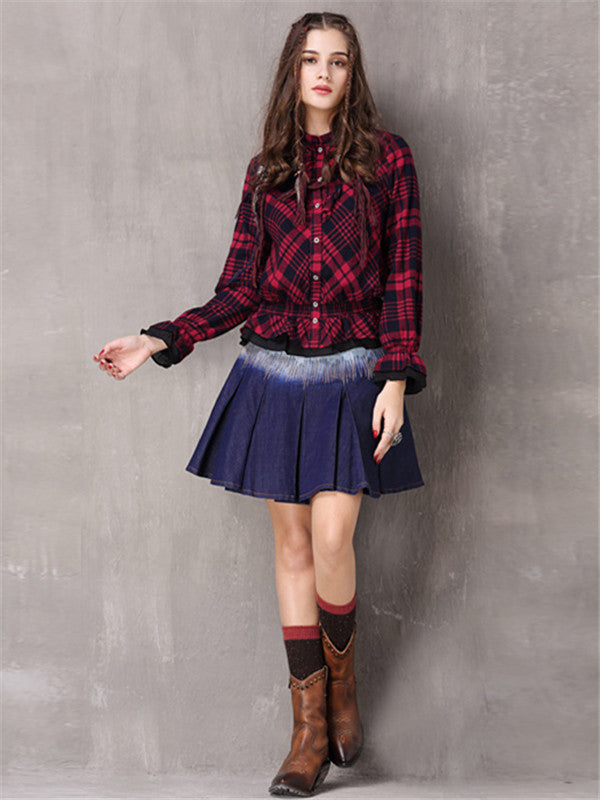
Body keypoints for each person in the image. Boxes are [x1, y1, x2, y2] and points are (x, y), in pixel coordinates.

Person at [93, 11, 427, 797]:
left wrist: (395, 379)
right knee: (293, 546)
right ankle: (308, 730)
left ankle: (343, 685)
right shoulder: (267, 169)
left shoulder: (389, 160)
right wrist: (158, 337)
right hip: (274, 373)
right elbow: (240, 288)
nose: (324, 73)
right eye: (311, 60)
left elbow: (404, 274)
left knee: (335, 535)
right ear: (293, 72)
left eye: (338, 61)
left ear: (352, 74)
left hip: (354, 372)